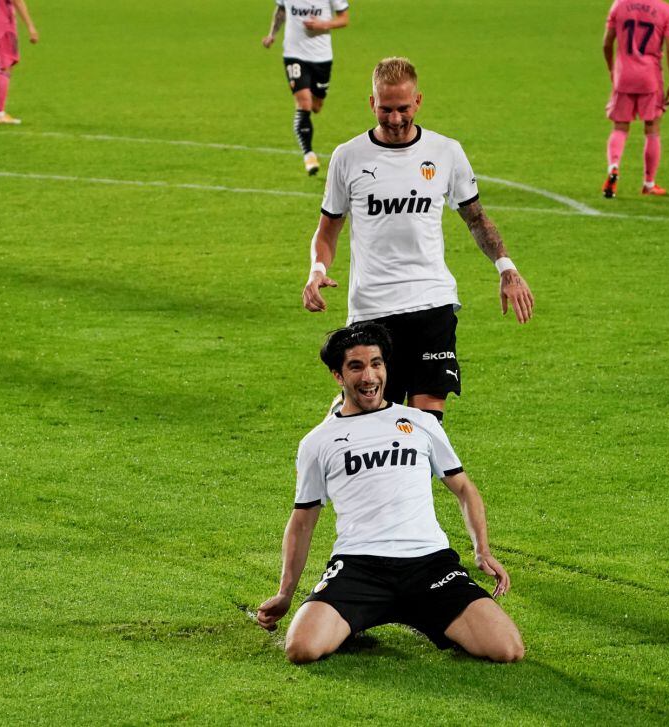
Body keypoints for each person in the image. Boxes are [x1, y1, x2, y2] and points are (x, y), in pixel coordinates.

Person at [257, 323, 525, 664]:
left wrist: (482, 550)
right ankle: (362, 616)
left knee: (507, 649)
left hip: (429, 565)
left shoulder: (420, 422)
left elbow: (464, 488)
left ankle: (420, 612)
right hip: (359, 567)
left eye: (376, 364)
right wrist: (285, 593)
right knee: (301, 648)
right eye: (356, 367)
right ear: (337, 375)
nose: (369, 376)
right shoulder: (317, 442)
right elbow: (303, 521)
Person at [302, 57, 534, 422]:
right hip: (372, 311)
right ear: (372, 103)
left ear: (419, 101)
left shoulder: (446, 152)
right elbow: (328, 228)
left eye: (403, 109)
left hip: (432, 304)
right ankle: (340, 418)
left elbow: (476, 218)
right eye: (386, 109)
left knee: (424, 428)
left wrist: (507, 268)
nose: (395, 120)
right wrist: (317, 270)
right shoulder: (348, 157)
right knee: (375, 426)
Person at [601, 0, 669, 198]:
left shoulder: (619, 5)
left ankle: (613, 167)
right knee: (652, 129)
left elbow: (607, 43)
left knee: (620, 127)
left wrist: (612, 68)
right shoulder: (665, 10)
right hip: (650, 78)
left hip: (624, 76)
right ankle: (649, 183)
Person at [262, 0, 349, 176]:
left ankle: (308, 150)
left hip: (321, 57)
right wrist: (272, 34)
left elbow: (344, 19)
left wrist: (323, 24)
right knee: (304, 103)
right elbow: (281, 10)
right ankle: (309, 155)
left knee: (316, 106)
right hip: (293, 54)